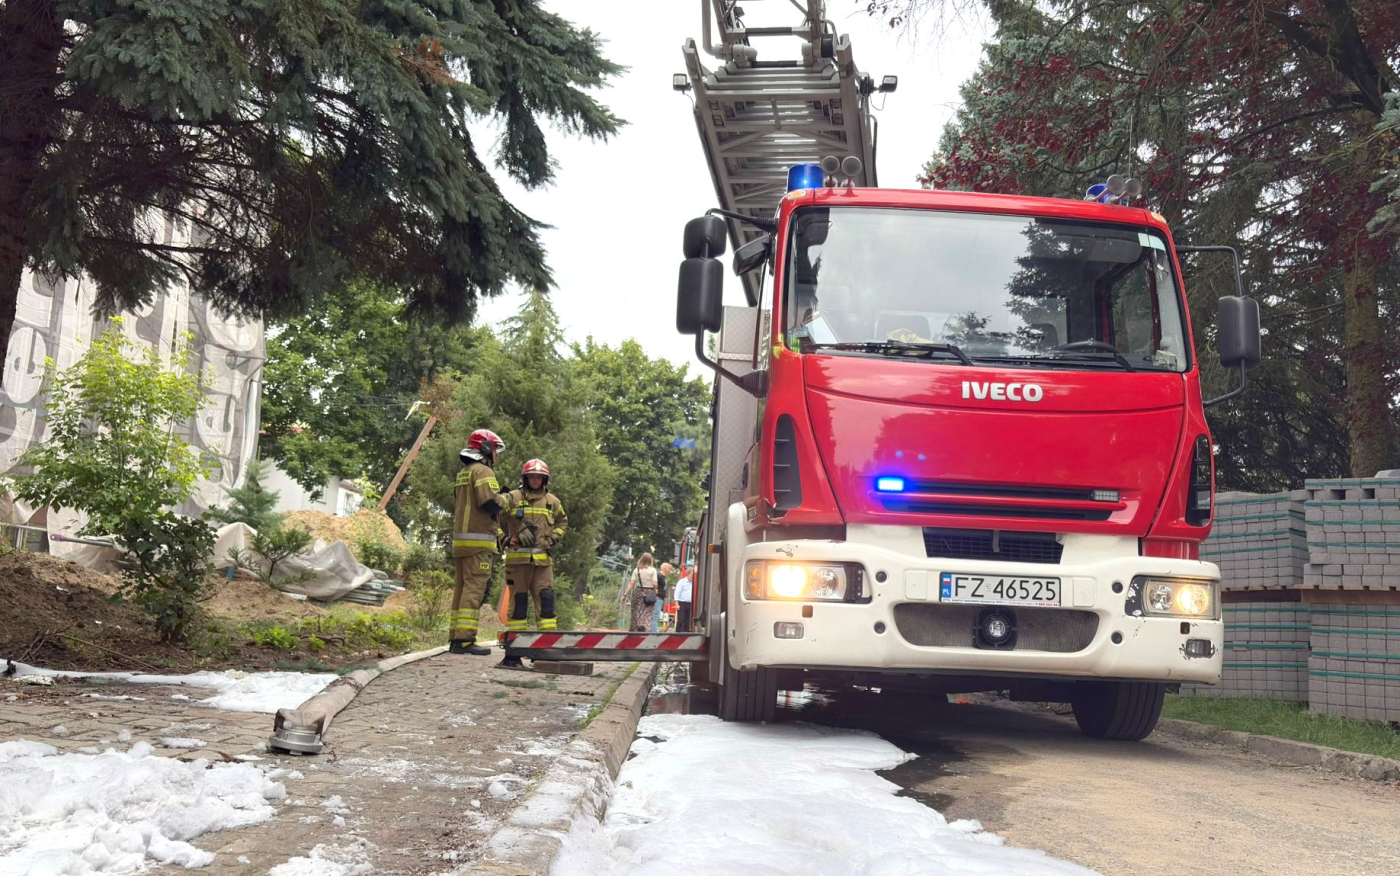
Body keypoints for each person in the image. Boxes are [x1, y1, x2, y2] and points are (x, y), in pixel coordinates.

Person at [449, 429, 517, 655]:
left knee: (461, 590)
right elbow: (490, 504)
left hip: (461, 542)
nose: (496, 454)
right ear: (486, 449)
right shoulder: (483, 471)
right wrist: (509, 498)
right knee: (474, 590)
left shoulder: (464, 473)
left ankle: (456, 639)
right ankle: (466, 641)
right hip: (477, 544)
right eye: (495, 449)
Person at [498, 458, 568, 669]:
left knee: (546, 605)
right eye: (531, 476)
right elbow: (490, 518)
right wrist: (503, 538)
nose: (535, 480)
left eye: (539, 477)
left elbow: (563, 522)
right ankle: (513, 656)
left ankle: (545, 652)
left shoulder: (553, 502)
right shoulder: (512, 498)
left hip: (542, 563)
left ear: (544, 479)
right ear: (525, 478)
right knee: (518, 606)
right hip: (518, 561)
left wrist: (554, 537)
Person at [622, 553, 661, 633]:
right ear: (650, 560)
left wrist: (625, 594)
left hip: (638, 592)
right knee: (647, 612)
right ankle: (644, 628)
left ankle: (635, 629)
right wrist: (656, 590)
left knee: (636, 611)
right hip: (649, 593)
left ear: (641, 559)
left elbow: (631, 583)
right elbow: (654, 583)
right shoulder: (652, 570)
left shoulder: (637, 570)